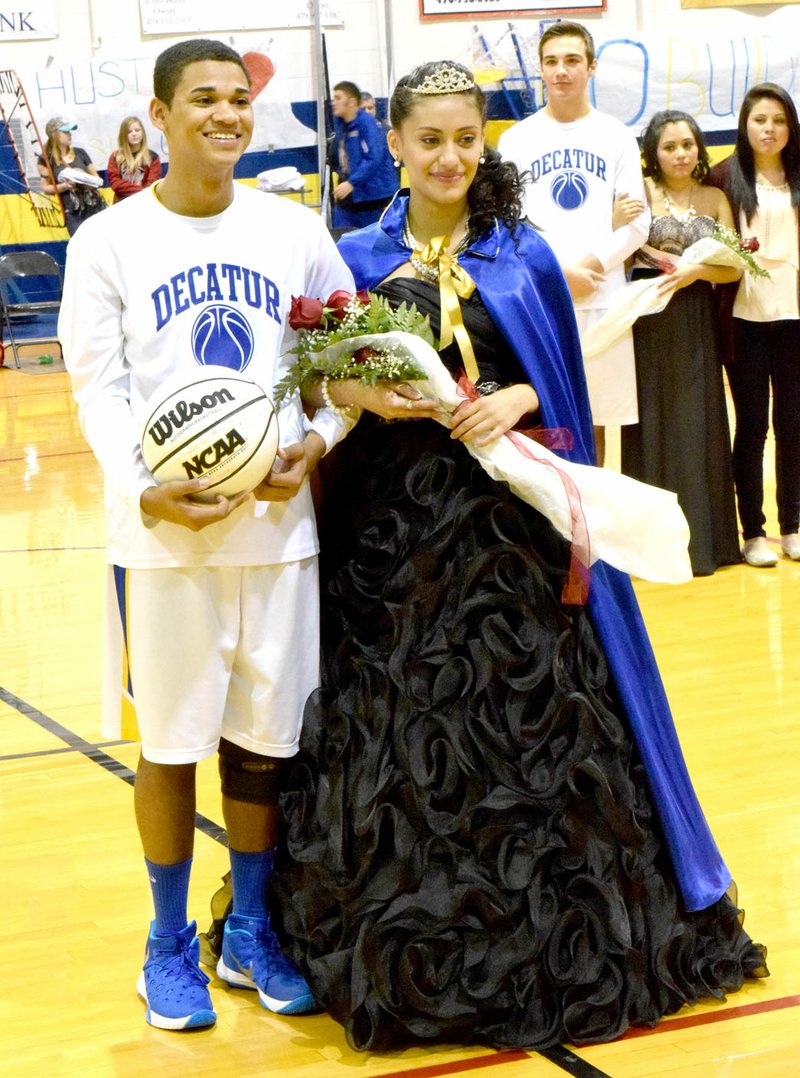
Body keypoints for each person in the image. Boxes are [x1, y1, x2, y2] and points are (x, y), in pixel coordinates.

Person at [267, 60, 767, 1053]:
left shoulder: (520, 252)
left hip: (511, 525)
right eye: (431, 140)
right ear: (397, 147)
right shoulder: (353, 256)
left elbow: (562, 371)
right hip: (396, 536)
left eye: (466, 139)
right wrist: (371, 396)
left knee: (538, 720)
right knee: (404, 717)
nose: (450, 156)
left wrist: (521, 398)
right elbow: (328, 392)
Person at [57, 38, 355, 1032]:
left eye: (238, 100)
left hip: (276, 528)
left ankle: (252, 930)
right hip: (165, 538)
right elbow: (98, 386)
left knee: (267, 745)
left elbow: (344, 367)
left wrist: (314, 441)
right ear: (160, 113)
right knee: (174, 742)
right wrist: (143, 489)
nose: (226, 116)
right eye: (204, 100)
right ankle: (165, 942)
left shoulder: (296, 231)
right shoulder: (108, 240)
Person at [497, 21, 650, 465]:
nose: (561, 71)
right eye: (551, 62)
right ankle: (553, 530)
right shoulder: (515, 140)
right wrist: (558, 275)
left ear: (591, 67)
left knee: (600, 424)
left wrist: (590, 266)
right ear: (541, 70)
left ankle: (592, 529)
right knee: (548, 424)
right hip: (542, 299)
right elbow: (508, 226)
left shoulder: (617, 136)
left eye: (571, 61)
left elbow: (637, 226)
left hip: (604, 301)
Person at [620, 110, 742, 576]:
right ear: (653, 152)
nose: (680, 153)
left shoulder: (714, 197)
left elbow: (733, 267)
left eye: (687, 144)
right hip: (647, 316)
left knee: (697, 421)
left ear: (699, 149)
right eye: (669, 146)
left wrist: (696, 271)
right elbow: (620, 249)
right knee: (651, 419)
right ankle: (649, 547)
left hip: (695, 319)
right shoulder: (641, 194)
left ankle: (706, 543)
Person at [708, 83, 800, 567]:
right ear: (745, 125)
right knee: (752, 427)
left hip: (794, 318)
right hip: (744, 318)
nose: (770, 129)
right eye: (761, 119)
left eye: (779, 120)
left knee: (794, 424)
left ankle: (793, 526)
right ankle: (754, 532)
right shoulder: (725, 177)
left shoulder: (798, 174)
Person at [331, 79, 399, 230]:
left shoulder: (367, 124)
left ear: (352, 102)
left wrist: (351, 183)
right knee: (341, 236)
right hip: (352, 196)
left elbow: (374, 158)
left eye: (338, 98)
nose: (334, 102)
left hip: (373, 196)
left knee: (373, 241)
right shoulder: (343, 125)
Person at [37, 117, 105, 236]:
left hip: (94, 205)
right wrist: (65, 186)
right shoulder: (46, 159)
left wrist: (88, 183)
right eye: (66, 132)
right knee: (80, 245)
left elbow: (97, 178)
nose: (70, 135)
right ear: (54, 134)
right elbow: (45, 188)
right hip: (73, 211)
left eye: (70, 132)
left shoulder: (80, 153)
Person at [107, 115, 163, 202]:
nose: (134, 134)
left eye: (137, 130)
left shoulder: (153, 157)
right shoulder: (115, 157)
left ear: (142, 133)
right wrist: (142, 191)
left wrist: (143, 193)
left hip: (144, 203)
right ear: (123, 135)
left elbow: (151, 186)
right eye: (129, 132)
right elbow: (115, 184)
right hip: (121, 204)